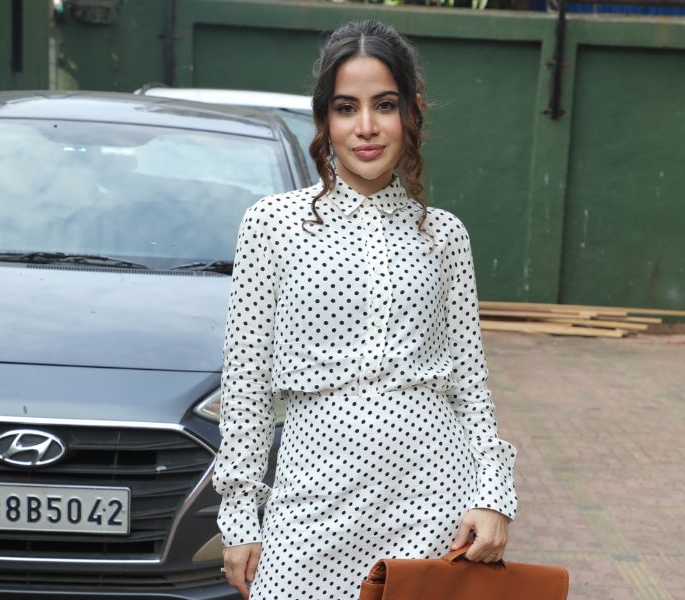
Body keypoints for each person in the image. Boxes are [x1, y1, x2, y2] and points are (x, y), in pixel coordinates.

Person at [212, 19, 518, 600]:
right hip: (311, 500)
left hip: (435, 498)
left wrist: (492, 494)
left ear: (412, 111)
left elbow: (470, 383)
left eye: (385, 105)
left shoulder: (444, 235)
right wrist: (240, 515)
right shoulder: (273, 225)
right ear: (324, 119)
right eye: (346, 108)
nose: (367, 127)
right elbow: (246, 385)